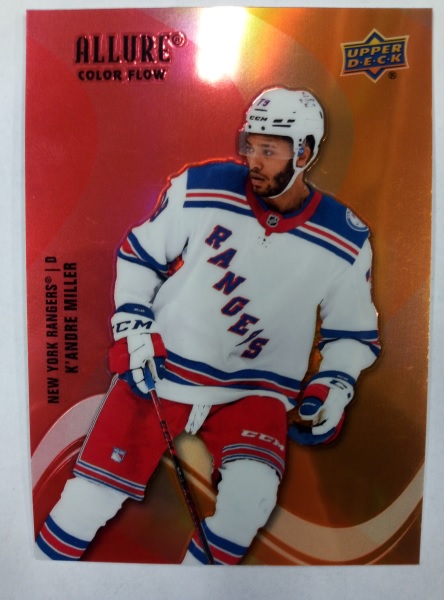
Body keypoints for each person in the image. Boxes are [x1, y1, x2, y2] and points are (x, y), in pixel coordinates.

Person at [35, 87, 380, 565]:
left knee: (250, 503)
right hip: (163, 370)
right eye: (249, 144)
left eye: (269, 150)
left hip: (255, 391)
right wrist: (133, 326)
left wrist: (335, 386)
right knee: (87, 501)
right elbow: (140, 255)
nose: (253, 160)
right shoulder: (201, 187)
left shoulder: (345, 237)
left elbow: (352, 333)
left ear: (304, 153)